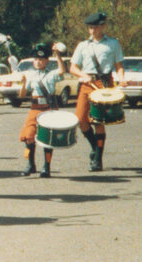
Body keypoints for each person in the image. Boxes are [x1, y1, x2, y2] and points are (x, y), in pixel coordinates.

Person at [68, 12, 126, 172]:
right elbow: (73, 67)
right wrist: (82, 75)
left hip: (104, 83)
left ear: (103, 26)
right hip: (86, 84)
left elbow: (119, 65)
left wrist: (121, 79)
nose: (91, 31)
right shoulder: (82, 46)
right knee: (80, 119)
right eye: (90, 28)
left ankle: (98, 159)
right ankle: (94, 147)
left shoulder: (113, 44)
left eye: (95, 27)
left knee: (98, 121)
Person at [17, 42, 66, 177]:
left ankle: (46, 167)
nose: (38, 62)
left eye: (41, 59)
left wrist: (57, 54)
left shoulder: (51, 74)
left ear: (46, 61)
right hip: (35, 107)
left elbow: (62, 71)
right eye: (36, 59)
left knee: (47, 138)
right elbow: (21, 95)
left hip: (48, 108)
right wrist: (23, 83)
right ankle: (30, 164)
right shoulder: (30, 75)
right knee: (28, 136)